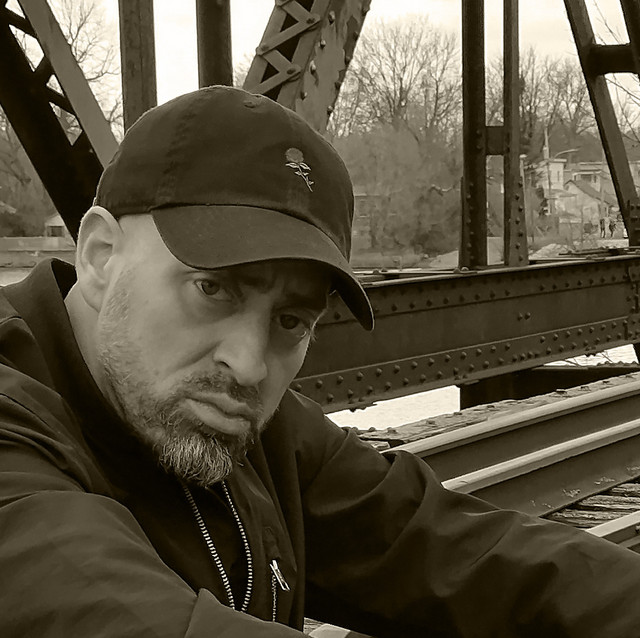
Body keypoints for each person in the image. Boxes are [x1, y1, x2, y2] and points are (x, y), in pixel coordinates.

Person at [2, 86, 640, 638]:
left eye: (290, 321)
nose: (249, 364)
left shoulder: (249, 427)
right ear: (100, 257)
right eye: (213, 288)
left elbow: (453, 550)